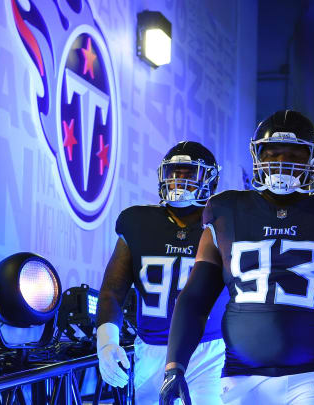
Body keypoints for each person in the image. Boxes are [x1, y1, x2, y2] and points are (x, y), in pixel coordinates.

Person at [159, 110, 314, 405]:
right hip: (240, 375)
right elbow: (194, 297)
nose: (282, 163)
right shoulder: (226, 211)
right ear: (258, 155)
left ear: (312, 160)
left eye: (295, 154)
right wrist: (174, 366)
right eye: (273, 153)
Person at [95, 141, 227, 405]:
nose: (180, 179)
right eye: (174, 172)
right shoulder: (137, 222)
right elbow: (113, 290)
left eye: (189, 173)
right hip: (153, 348)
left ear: (210, 180)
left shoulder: (224, 223)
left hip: (209, 350)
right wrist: (106, 342)